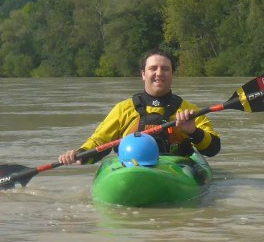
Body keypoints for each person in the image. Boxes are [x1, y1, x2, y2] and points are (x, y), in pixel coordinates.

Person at [58, 49, 220, 166]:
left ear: (173, 74)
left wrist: (193, 132)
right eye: (153, 68)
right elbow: (100, 141)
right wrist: (79, 154)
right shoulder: (124, 109)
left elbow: (213, 149)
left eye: (165, 69)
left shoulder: (188, 110)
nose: (159, 73)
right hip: (131, 169)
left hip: (175, 169)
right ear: (143, 74)